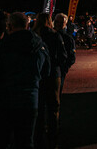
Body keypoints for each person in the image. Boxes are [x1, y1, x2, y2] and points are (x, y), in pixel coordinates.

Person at [0, 12, 50, 149]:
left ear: (9, 26)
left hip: (6, 101)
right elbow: (47, 72)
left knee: (4, 140)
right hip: (30, 100)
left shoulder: (3, 46)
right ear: (27, 25)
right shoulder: (39, 45)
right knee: (26, 141)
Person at [32, 13, 67, 149]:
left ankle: (38, 141)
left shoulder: (34, 36)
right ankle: (53, 141)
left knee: (39, 109)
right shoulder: (55, 35)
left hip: (39, 76)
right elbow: (63, 56)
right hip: (53, 75)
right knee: (53, 109)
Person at [53, 13, 76, 94]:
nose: (58, 24)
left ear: (65, 23)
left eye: (61, 22)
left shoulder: (68, 39)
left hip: (60, 70)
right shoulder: (49, 35)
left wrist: (65, 68)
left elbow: (72, 57)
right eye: (57, 22)